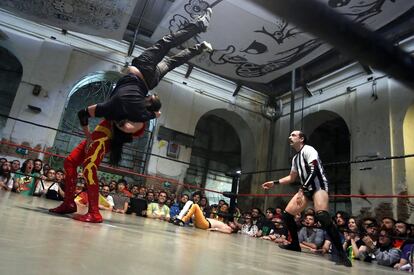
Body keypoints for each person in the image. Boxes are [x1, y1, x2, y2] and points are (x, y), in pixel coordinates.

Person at [49, 9, 213, 223]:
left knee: (166, 43)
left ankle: (199, 27)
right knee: (72, 163)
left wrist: (89, 133)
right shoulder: (135, 113)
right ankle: (71, 203)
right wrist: (92, 132)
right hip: (144, 77)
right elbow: (141, 120)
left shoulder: (120, 108)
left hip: (143, 72)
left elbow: (87, 113)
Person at [262, 130, 352, 267]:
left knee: (322, 216)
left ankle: (341, 253)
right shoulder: (295, 158)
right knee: (287, 215)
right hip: (306, 188)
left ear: (302, 139)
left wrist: (302, 189)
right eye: (290, 135)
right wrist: (274, 183)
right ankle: (294, 244)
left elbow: (314, 170)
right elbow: (292, 177)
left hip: (318, 186)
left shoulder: (309, 150)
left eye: (293, 135)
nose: (290, 137)